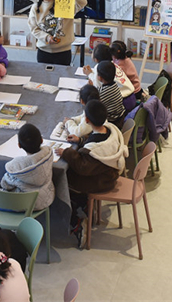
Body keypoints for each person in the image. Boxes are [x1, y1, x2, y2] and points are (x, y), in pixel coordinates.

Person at [55, 100, 128, 247]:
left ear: (87, 120)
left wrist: (67, 153)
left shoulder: (95, 147)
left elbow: (83, 167)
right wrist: (81, 140)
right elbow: (92, 144)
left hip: (100, 181)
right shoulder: (109, 130)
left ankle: (77, 221)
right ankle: (84, 205)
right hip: (108, 174)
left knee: (61, 180)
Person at [27, 0, 87, 66]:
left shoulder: (65, 3)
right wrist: (47, 37)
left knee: (62, 75)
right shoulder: (35, 7)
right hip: (43, 52)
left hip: (63, 52)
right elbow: (33, 28)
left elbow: (82, 3)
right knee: (43, 75)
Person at [0, 124, 54, 211]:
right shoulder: (48, 154)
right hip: (46, 199)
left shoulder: (16, 166)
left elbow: (5, 185)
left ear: (19, 145)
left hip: (23, 205)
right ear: (42, 140)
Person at [95, 61, 126, 129]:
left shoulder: (104, 92)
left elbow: (94, 104)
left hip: (112, 121)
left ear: (100, 77)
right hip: (120, 116)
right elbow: (100, 90)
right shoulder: (114, 84)